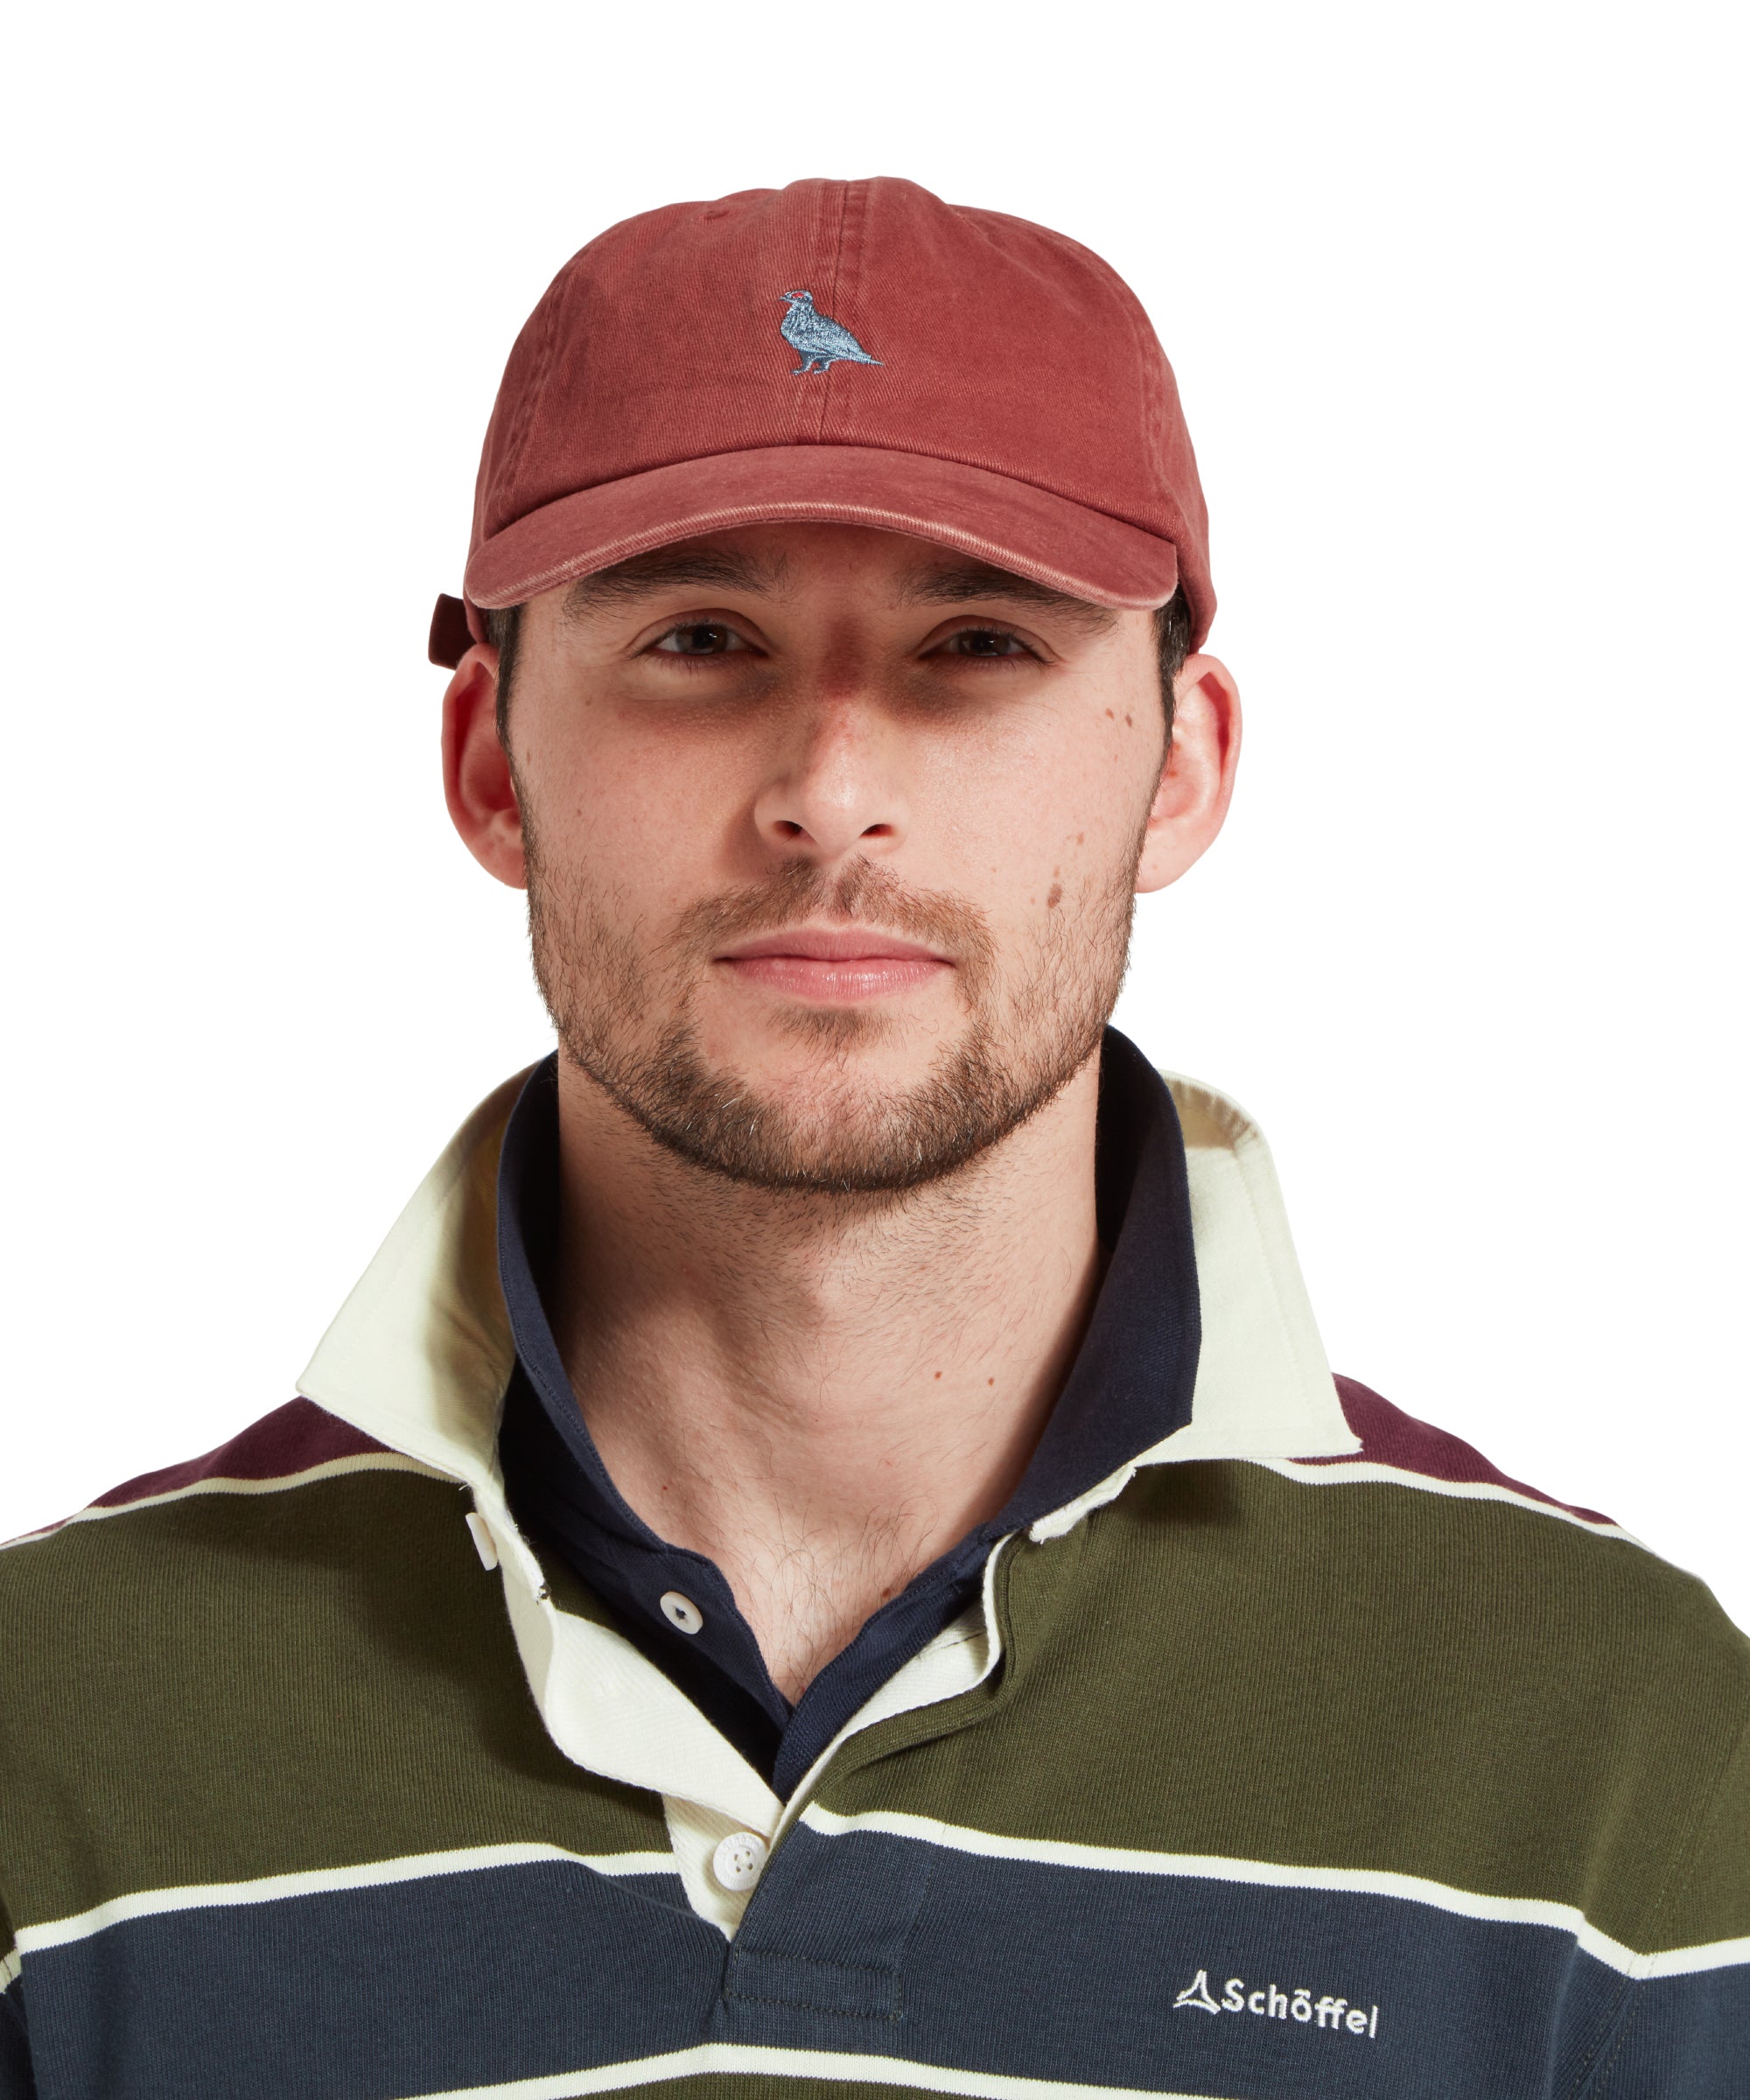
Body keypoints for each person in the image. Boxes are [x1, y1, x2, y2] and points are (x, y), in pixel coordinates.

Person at [1, 178, 1744, 2100]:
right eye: (697, 638)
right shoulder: (52, 1740)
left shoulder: (1609, 1745)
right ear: (492, 764)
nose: (830, 795)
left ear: (1180, 767)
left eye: (978, 647)